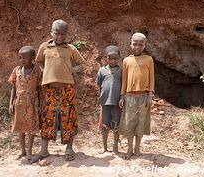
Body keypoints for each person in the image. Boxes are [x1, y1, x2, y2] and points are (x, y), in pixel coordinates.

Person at [32, 19, 85, 163]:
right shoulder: (45, 47)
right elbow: (38, 62)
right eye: (56, 33)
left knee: (69, 117)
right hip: (49, 90)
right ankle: (44, 150)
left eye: (62, 34)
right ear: (51, 32)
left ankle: (69, 148)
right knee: (47, 118)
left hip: (67, 89)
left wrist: (71, 70)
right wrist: (45, 71)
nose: (59, 37)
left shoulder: (71, 49)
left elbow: (82, 64)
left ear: (66, 34)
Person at [119, 32, 155, 159]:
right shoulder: (126, 60)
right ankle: (129, 149)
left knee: (141, 123)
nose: (137, 47)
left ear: (144, 45)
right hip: (129, 97)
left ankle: (137, 147)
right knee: (129, 123)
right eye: (135, 44)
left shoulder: (149, 60)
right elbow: (124, 79)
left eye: (140, 45)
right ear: (130, 44)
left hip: (144, 96)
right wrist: (122, 96)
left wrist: (150, 95)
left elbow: (152, 78)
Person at [8, 46, 42, 162]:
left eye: (25, 58)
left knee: (31, 128)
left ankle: (29, 151)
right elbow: (13, 87)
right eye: (20, 57)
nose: (22, 60)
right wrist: (11, 103)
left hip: (33, 103)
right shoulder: (16, 70)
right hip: (20, 103)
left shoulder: (37, 71)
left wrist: (41, 104)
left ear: (32, 58)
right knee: (20, 128)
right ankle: (22, 151)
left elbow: (40, 88)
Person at [97, 45, 122, 155]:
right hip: (105, 102)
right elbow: (99, 84)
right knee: (104, 126)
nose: (112, 61)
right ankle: (105, 147)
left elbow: (123, 86)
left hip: (117, 103)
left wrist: (122, 98)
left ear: (119, 58)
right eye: (110, 58)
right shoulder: (102, 71)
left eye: (115, 58)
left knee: (116, 125)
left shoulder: (121, 71)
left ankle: (115, 147)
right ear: (105, 58)